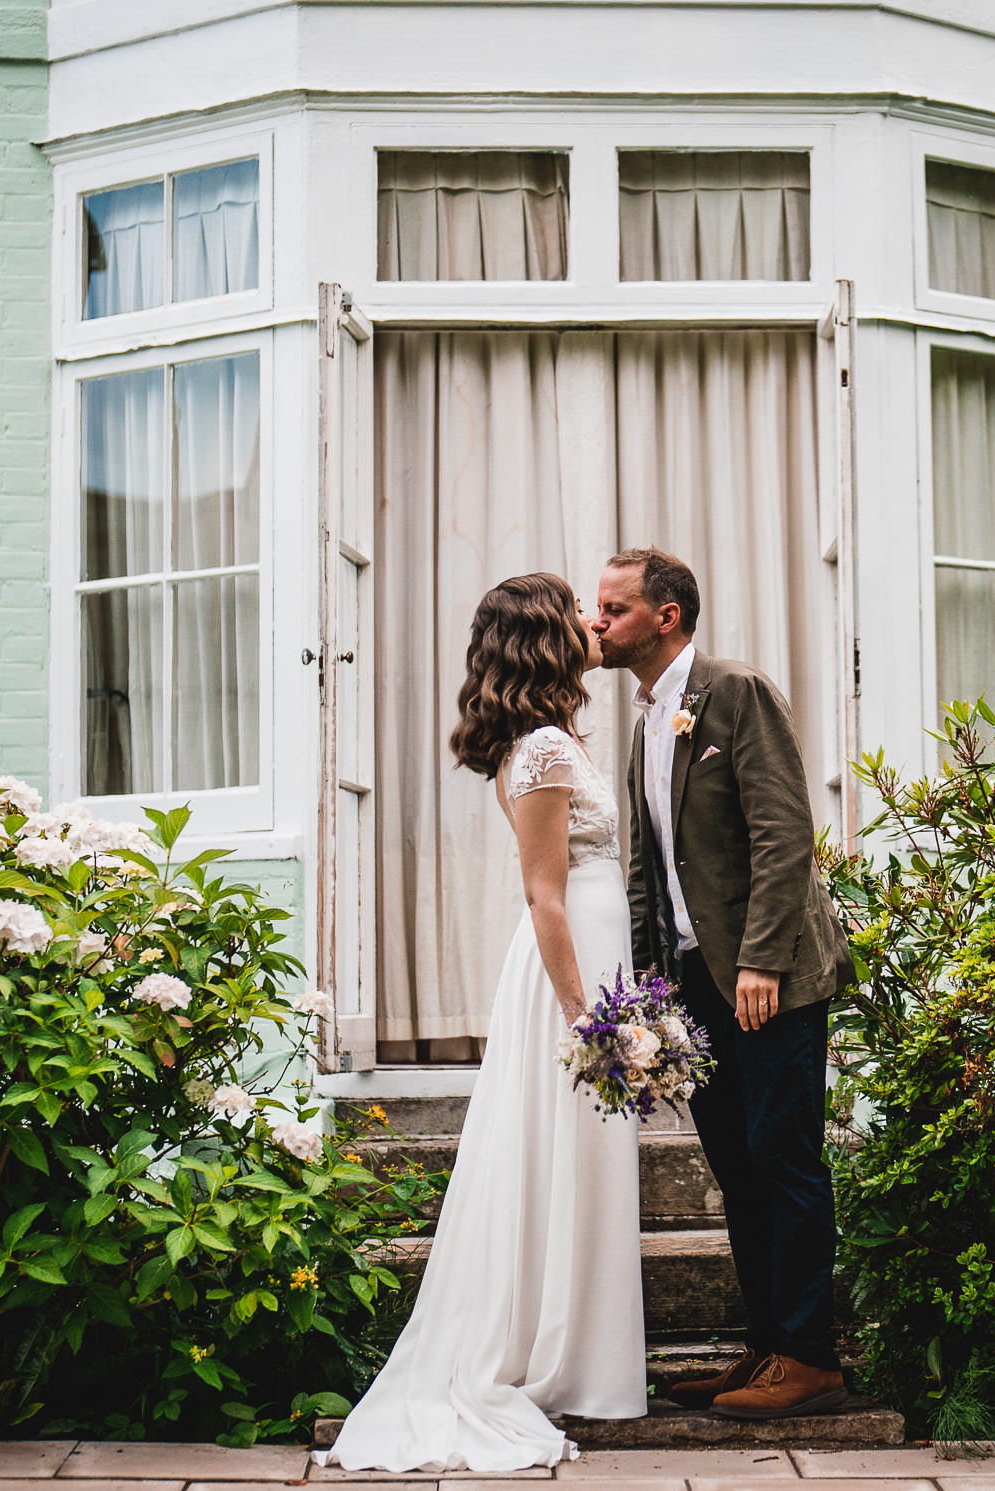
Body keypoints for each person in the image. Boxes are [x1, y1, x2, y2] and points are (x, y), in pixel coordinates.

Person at [323, 573, 647, 1472]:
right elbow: (544, 894)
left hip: (592, 953)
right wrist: (588, 1015)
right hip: (567, 968)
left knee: (584, 1159)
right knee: (559, 1153)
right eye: (577, 609)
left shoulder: (556, 738)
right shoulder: (540, 750)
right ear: (546, 636)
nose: (593, 619)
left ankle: (584, 1352)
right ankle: (555, 1356)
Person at [593, 546, 858, 1419]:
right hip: (694, 983)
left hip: (766, 976)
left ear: (665, 615)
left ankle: (812, 1357)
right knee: (736, 1166)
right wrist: (646, 996)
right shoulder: (643, 722)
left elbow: (786, 832)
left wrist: (760, 960)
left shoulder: (735, 692)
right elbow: (648, 869)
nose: (598, 623)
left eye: (614, 609)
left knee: (784, 1155)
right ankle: (765, 1349)